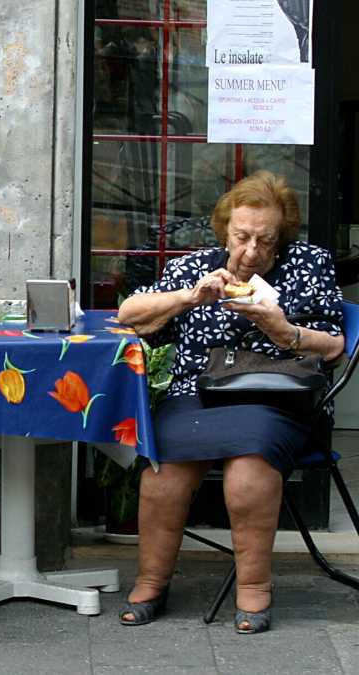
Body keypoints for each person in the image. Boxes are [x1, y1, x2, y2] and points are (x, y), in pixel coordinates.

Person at [117, 170, 344, 634]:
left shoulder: (309, 264)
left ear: (282, 237)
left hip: (277, 398)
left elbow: (337, 345)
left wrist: (283, 330)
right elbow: (129, 315)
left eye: (266, 240)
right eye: (242, 237)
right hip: (196, 395)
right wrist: (188, 297)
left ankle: (255, 587)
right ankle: (152, 581)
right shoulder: (194, 268)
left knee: (248, 469)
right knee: (165, 471)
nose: (252, 251)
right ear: (225, 230)